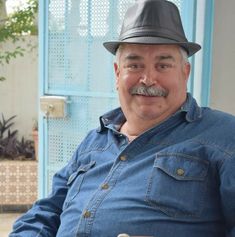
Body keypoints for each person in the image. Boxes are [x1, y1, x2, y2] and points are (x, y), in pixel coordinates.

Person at [10, 0, 235, 237]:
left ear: (185, 72)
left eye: (163, 65)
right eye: (135, 65)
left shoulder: (224, 137)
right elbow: (47, 212)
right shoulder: (94, 142)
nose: (148, 79)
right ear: (118, 74)